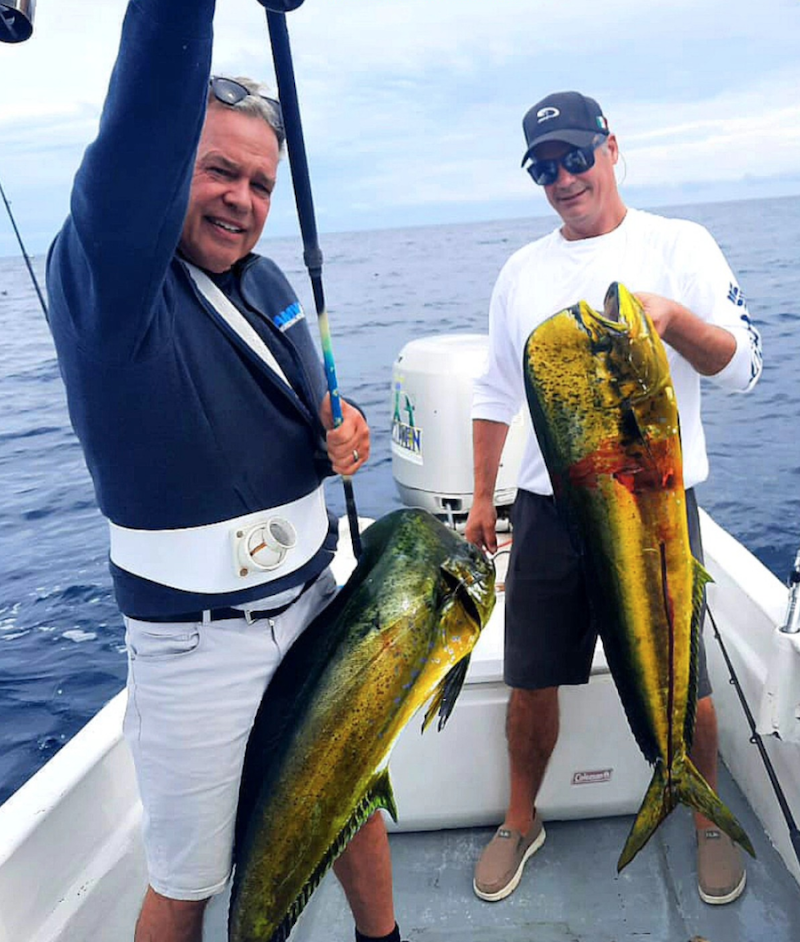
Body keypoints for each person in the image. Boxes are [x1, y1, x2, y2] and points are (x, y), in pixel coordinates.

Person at [44, 2, 405, 941]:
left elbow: (319, 413)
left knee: (356, 797)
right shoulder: (111, 287)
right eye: (215, 169)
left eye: (259, 181)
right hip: (197, 646)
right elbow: (142, 116)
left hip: (319, 607)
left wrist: (349, 427)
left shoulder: (270, 286)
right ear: (171, 172)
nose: (240, 198)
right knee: (189, 878)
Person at [466, 91, 763, 908]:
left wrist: (674, 322)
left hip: (656, 512)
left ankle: (701, 812)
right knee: (532, 679)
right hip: (546, 511)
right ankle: (521, 817)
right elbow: (494, 392)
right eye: (544, 167)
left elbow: (742, 367)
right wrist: (483, 500)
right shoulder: (521, 271)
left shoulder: (679, 245)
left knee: (684, 675)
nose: (563, 178)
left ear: (611, 148)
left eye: (574, 156)